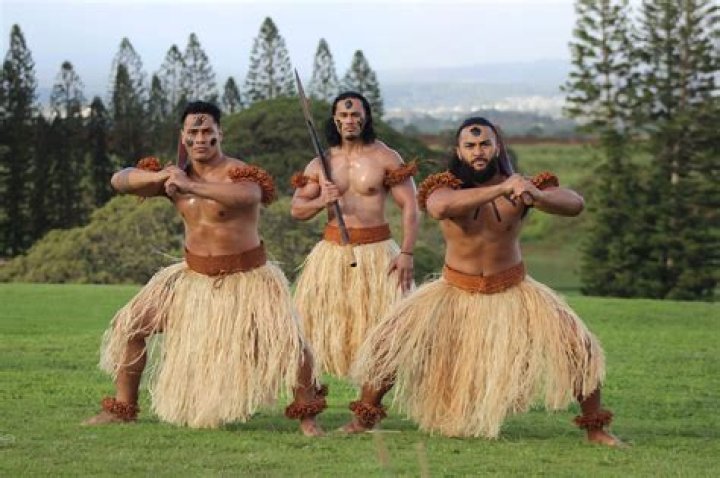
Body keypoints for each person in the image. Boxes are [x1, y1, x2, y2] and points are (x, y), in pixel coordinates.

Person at [344, 117, 620, 446]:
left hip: (514, 288)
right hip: (453, 289)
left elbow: (575, 204)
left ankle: (596, 430)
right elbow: (440, 208)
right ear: (459, 151)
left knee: (579, 346)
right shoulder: (443, 187)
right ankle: (363, 420)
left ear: (497, 147)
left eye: (485, 144)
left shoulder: (523, 186)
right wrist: (501, 190)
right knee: (387, 344)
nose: (478, 151)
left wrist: (535, 194)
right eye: (471, 146)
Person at [83, 101, 325, 436]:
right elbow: (119, 180)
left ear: (219, 133)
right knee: (131, 326)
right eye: (193, 131)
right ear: (183, 136)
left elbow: (248, 197)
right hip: (192, 279)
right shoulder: (173, 176)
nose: (200, 138)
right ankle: (123, 409)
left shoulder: (238, 173)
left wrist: (190, 186)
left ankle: (307, 417)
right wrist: (162, 176)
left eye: (207, 130)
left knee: (288, 344)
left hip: (247, 279)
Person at [290, 91, 419, 381]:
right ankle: (312, 394)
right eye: (344, 115)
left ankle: (370, 401)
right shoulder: (320, 163)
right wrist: (321, 200)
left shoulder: (385, 157)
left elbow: (411, 206)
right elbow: (297, 209)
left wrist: (407, 252)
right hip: (332, 254)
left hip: (378, 252)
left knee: (386, 330)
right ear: (335, 120)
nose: (349, 120)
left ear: (366, 118)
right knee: (319, 328)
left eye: (355, 115)